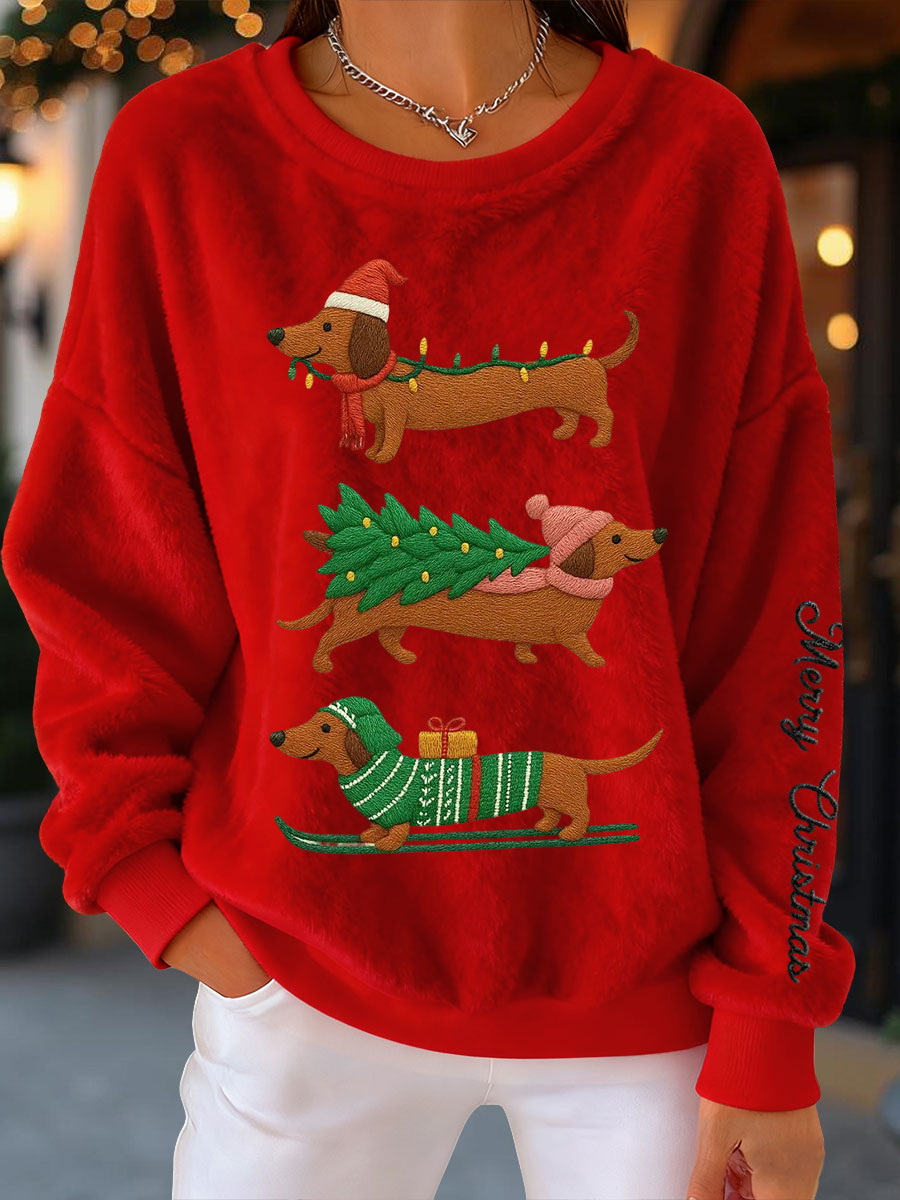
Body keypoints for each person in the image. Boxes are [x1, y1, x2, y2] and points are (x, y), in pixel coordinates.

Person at [0, 2, 855, 1198]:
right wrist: (148, 879)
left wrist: (771, 1009)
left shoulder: (694, 157)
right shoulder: (186, 156)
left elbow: (771, 612)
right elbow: (109, 551)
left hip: (652, 1005)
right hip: (299, 982)